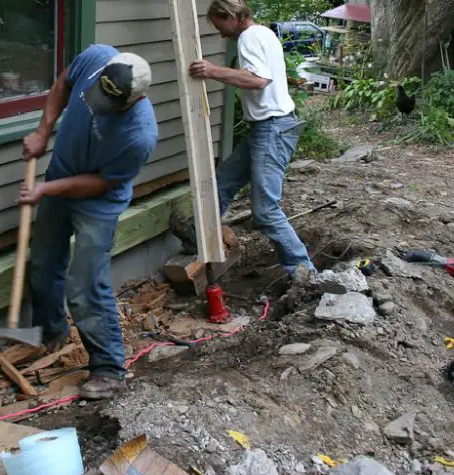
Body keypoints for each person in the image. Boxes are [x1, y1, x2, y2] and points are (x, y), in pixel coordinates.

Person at [18, 44, 158, 400]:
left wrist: (47, 189)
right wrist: (42, 132)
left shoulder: (139, 135)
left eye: (109, 105)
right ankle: (51, 335)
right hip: (60, 177)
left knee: (85, 285)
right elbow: (63, 84)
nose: (97, 106)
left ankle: (109, 370)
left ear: (135, 100)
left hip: (98, 202)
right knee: (43, 262)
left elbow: (100, 182)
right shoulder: (97, 58)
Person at [189, 0, 316, 280]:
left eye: (218, 25)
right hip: (267, 128)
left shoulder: (248, 37)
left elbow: (258, 79)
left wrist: (211, 71)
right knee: (223, 182)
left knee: (265, 211)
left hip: (272, 130)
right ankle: (196, 240)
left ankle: (305, 273)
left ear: (230, 15)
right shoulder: (265, 33)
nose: (221, 33)